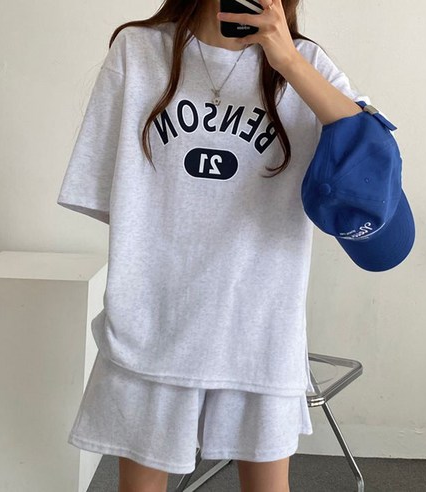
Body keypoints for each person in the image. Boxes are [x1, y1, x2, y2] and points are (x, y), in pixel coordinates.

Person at [57, 0, 374, 490]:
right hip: (153, 319)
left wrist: (288, 61)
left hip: (258, 322)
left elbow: (369, 154)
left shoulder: (304, 62)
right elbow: (113, 196)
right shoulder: (138, 52)